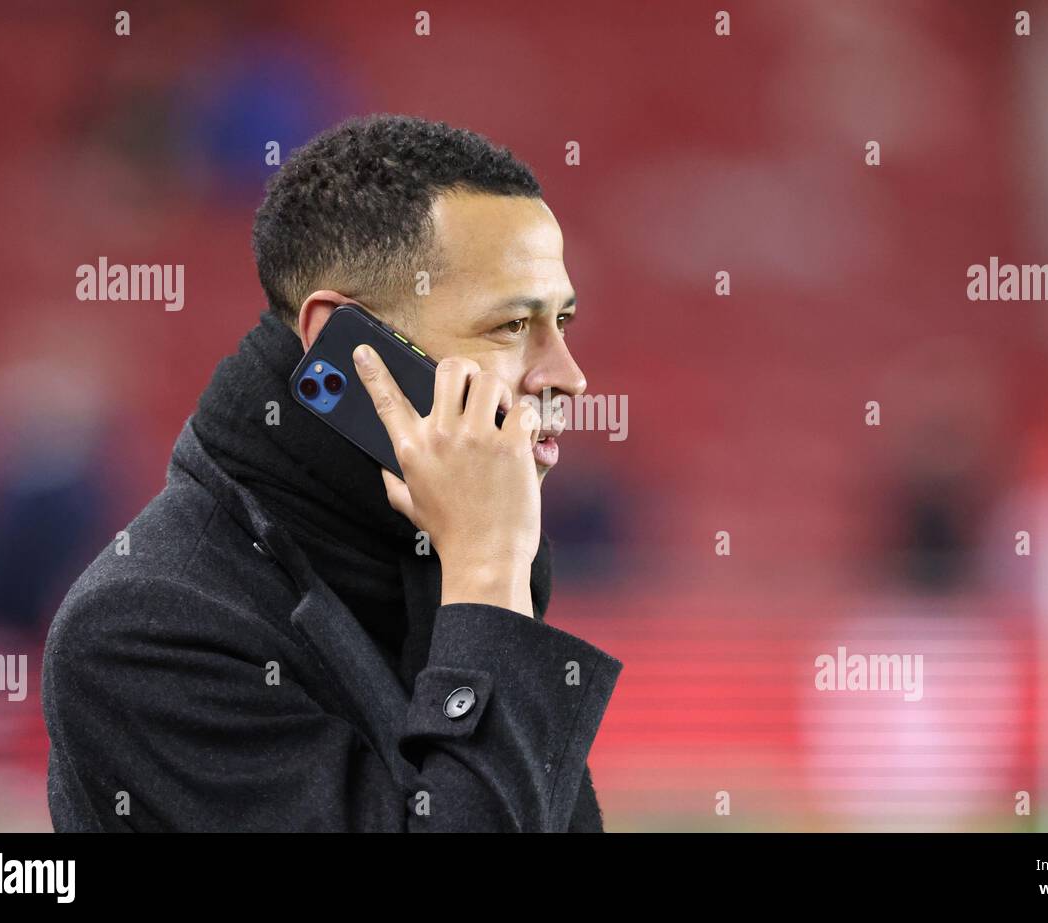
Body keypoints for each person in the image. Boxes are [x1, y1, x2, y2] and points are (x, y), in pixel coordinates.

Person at [41, 113, 624, 832]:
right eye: (510, 326)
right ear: (348, 349)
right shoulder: (141, 632)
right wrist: (490, 589)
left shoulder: (451, 547)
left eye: (561, 321)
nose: (569, 376)